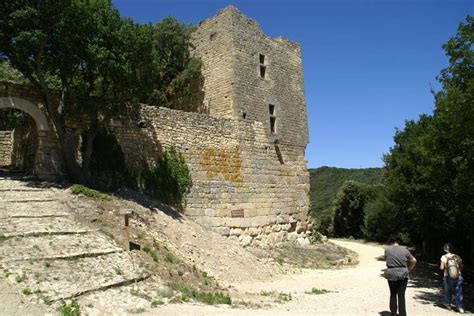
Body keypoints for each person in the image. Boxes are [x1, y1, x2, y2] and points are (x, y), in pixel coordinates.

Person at [383, 235, 417, 316]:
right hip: (402, 273)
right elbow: (414, 260)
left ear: (390, 241)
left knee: (393, 294)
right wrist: (409, 269)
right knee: (401, 296)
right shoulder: (405, 250)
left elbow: (387, 259)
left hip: (391, 273)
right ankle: (402, 314)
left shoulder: (387, 250)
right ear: (398, 241)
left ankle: (393, 313)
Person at [440, 243, 464, 314]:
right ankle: (459, 307)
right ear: (452, 249)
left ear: (445, 249)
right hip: (458, 275)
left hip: (447, 276)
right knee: (458, 291)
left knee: (448, 290)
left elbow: (441, 267)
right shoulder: (457, 256)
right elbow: (461, 267)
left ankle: (448, 304)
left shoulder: (444, 257)